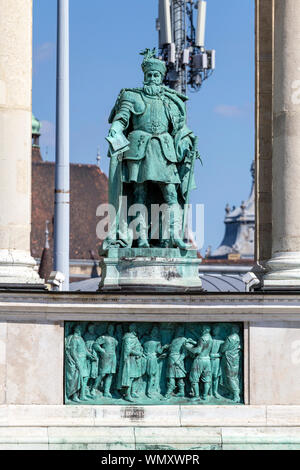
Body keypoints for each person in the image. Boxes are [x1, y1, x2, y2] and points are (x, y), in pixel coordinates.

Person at [103, 48, 199, 250]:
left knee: (171, 193)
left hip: (165, 152)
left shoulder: (170, 101)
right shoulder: (132, 97)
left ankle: (173, 236)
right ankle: (141, 238)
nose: (153, 78)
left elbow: (180, 128)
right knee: (139, 194)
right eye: (149, 75)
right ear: (144, 76)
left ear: (162, 78)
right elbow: (121, 120)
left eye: (156, 75)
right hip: (139, 151)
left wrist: (188, 142)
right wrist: (115, 131)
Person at [65, 325, 96, 402]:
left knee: (85, 378)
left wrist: (90, 355)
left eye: (81, 328)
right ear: (75, 329)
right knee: (77, 379)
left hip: (83, 361)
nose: (80, 330)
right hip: (78, 361)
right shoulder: (74, 339)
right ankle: (74, 396)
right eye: (79, 329)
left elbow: (84, 350)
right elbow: (73, 351)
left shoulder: (81, 338)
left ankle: (82, 395)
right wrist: (76, 361)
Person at [164, 326, 196, 399]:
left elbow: (185, 352)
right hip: (170, 360)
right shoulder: (174, 340)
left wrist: (179, 360)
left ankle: (172, 393)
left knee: (179, 377)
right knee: (171, 376)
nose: (178, 331)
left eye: (180, 330)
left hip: (177, 360)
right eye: (178, 329)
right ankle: (178, 392)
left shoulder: (184, 340)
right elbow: (171, 350)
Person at [117, 324, 144, 402]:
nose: (136, 330)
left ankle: (133, 392)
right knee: (130, 377)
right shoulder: (128, 338)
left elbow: (138, 346)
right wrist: (137, 353)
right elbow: (128, 350)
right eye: (135, 328)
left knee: (136, 376)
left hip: (136, 360)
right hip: (130, 360)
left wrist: (140, 350)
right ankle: (127, 395)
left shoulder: (135, 337)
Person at [91, 324, 118, 398]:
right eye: (109, 328)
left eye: (112, 328)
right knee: (102, 374)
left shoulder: (115, 338)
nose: (110, 330)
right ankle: (93, 388)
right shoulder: (103, 337)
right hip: (105, 357)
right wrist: (101, 350)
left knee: (110, 375)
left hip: (113, 357)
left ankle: (106, 391)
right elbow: (95, 344)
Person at [143, 326, 168, 398]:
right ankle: (149, 392)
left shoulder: (145, 339)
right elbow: (159, 351)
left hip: (145, 358)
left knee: (145, 376)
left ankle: (146, 391)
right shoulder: (157, 342)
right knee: (151, 376)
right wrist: (164, 347)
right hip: (152, 359)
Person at [188, 326, 213, 401]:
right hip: (207, 360)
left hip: (199, 360)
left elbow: (198, 350)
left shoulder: (202, 338)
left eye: (202, 329)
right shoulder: (210, 338)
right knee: (207, 378)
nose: (201, 330)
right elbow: (203, 346)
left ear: (205, 330)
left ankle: (196, 396)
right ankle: (205, 395)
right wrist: (194, 342)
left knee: (194, 378)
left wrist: (188, 348)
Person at [221, 325, 241, 403]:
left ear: (233, 329)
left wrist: (221, 347)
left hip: (230, 359)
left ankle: (236, 395)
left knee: (230, 377)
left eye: (231, 328)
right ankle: (232, 393)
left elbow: (224, 349)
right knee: (234, 377)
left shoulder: (230, 337)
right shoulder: (238, 337)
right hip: (235, 358)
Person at [210, 325, 225, 399]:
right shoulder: (209, 339)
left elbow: (222, 352)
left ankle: (215, 391)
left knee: (215, 377)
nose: (215, 331)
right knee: (208, 376)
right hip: (208, 360)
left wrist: (215, 355)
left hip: (216, 361)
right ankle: (208, 392)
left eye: (217, 330)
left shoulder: (221, 341)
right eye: (214, 329)